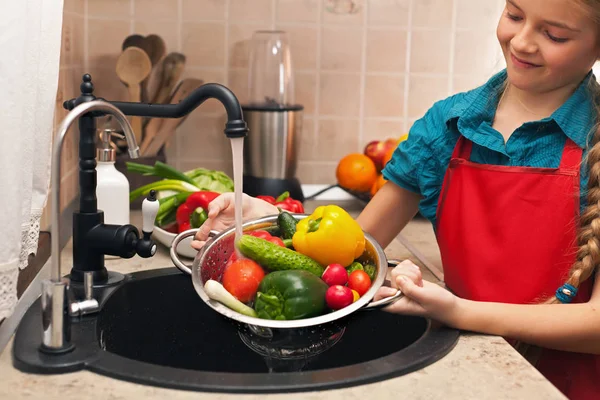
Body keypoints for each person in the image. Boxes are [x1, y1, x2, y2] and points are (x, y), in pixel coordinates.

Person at [192, 0, 600, 397]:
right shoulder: (448, 124)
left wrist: (458, 312)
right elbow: (353, 246)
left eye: (554, 35)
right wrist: (273, 220)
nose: (522, 41)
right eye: (514, 14)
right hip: (468, 373)